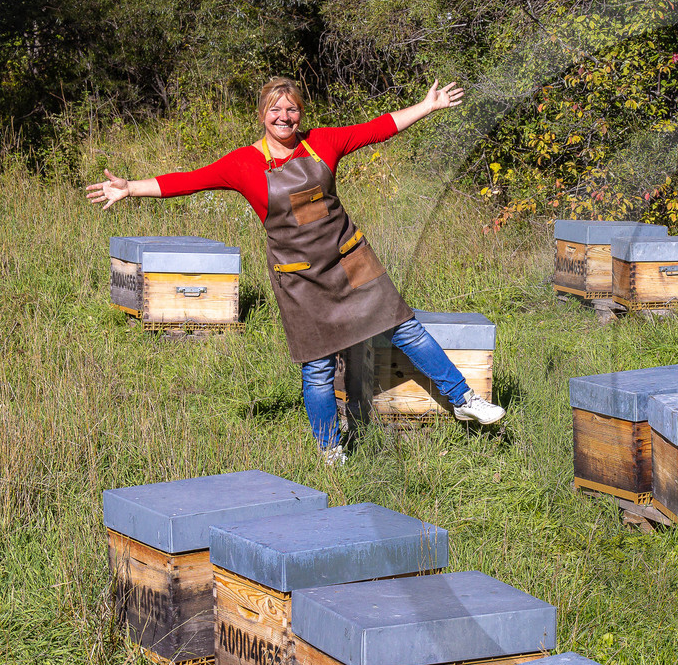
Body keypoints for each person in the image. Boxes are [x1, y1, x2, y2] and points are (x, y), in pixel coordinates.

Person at [86, 76, 504, 465]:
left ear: (301, 113)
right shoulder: (243, 164)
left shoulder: (324, 142)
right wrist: (131, 187)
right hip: (301, 277)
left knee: (405, 328)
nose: (284, 118)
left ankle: (465, 400)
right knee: (319, 368)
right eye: (275, 111)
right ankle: (329, 448)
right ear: (262, 114)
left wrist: (427, 106)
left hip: (351, 259)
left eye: (292, 110)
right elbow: (189, 180)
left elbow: (378, 127)